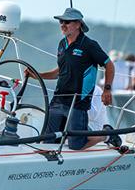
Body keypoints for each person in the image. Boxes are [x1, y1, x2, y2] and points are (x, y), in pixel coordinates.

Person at [25, 8, 121, 150]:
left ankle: (106, 134)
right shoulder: (62, 44)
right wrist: (37, 75)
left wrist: (107, 89)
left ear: (78, 24)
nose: (63, 25)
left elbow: (109, 65)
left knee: (76, 145)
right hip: (58, 100)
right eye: (61, 21)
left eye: (67, 22)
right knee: (49, 142)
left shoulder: (89, 45)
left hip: (78, 103)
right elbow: (59, 72)